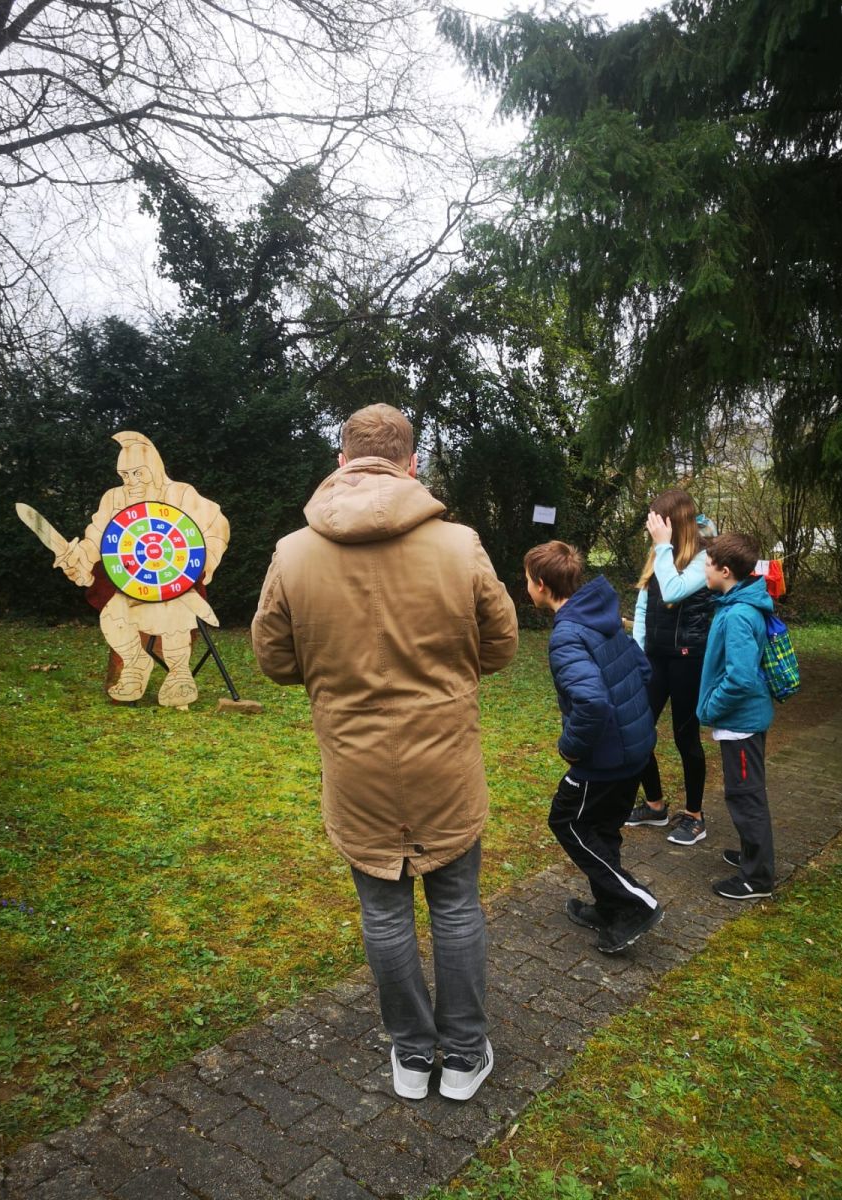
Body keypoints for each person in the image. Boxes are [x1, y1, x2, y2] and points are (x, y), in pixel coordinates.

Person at [251, 404, 518, 1102]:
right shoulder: (459, 545)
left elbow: (274, 660)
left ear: (342, 462)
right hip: (444, 761)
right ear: (411, 463)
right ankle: (464, 1058)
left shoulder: (293, 552)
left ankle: (412, 1054)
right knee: (456, 906)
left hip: (356, 763)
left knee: (384, 913)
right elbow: (501, 645)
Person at [524, 540, 664, 953]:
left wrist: (571, 747)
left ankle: (636, 903)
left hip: (604, 759)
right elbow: (642, 668)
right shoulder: (600, 614)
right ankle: (610, 909)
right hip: (635, 748)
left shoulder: (568, 634)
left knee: (567, 821)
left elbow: (591, 702)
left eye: (527, 579)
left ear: (542, 584)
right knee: (602, 829)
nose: (525, 586)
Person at [56, 431, 229, 705]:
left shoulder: (181, 493)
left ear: (154, 468)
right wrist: (79, 559)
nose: (131, 481)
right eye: (124, 475)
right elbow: (96, 539)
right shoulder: (113, 498)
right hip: (129, 584)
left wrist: (205, 560)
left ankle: (179, 674)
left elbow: (215, 527)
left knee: (176, 612)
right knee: (113, 615)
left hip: (173, 583)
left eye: (138, 473)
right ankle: (135, 665)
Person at [626, 489, 714, 846]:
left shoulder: (704, 558)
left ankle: (695, 815)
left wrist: (662, 546)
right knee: (637, 732)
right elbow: (644, 605)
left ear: (674, 522)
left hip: (688, 659)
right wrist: (638, 653)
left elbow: (675, 590)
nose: (652, 529)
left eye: (657, 522)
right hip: (655, 657)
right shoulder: (659, 554)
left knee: (685, 737)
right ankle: (655, 805)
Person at [697, 533, 776, 899]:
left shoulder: (739, 615)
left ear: (725, 571)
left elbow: (741, 678)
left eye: (707, 564)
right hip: (740, 721)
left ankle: (757, 878)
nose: (704, 570)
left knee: (746, 797)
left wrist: (711, 707)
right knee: (743, 793)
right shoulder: (734, 605)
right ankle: (750, 854)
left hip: (740, 723)